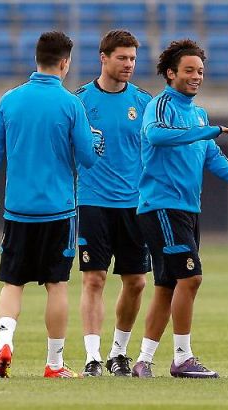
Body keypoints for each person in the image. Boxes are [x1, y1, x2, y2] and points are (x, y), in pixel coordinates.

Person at [0, 31, 104, 379]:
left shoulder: (10, 100)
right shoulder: (71, 104)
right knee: (56, 285)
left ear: (37, 59)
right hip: (58, 211)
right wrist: (95, 142)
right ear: (65, 62)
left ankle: (5, 342)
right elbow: (88, 159)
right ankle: (54, 363)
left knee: (12, 282)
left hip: (18, 210)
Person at [129, 39, 228, 379]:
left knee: (167, 286)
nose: (196, 76)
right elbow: (156, 135)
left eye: (200, 71)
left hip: (185, 208)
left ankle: (143, 361)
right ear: (171, 73)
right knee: (191, 277)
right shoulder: (160, 105)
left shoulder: (197, 113)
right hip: (162, 206)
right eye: (189, 70)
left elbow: (210, 153)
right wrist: (208, 130)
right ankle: (182, 358)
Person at [74, 30, 153, 377]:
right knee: (94, 279)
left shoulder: (144, 102)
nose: (129, 64)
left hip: (134, 205)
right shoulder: (80, 101)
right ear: (103, 58)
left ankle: (118, 352)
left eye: (133, 58)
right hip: (93, 202)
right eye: (122, 57)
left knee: (136, 282)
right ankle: (92, 357)